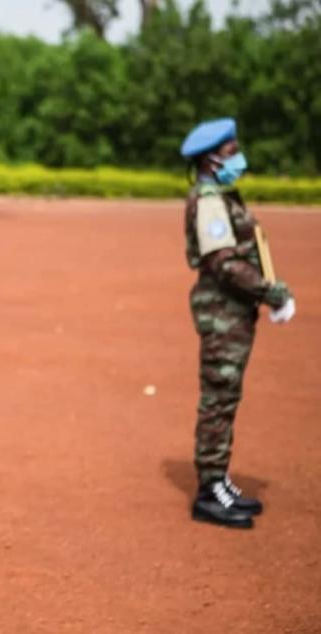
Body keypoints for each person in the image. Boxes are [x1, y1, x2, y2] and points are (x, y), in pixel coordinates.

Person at [180, 118, 296, 529]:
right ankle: (209, 491)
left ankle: (219, 479)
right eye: (231, 152)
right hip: (221, 315)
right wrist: (271, 292)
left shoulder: (223, 197)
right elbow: (224, 263)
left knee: (226, 398)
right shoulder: (209, 201)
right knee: (218, 400)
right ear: (210, 159)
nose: (238, 158)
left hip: (231, 314)